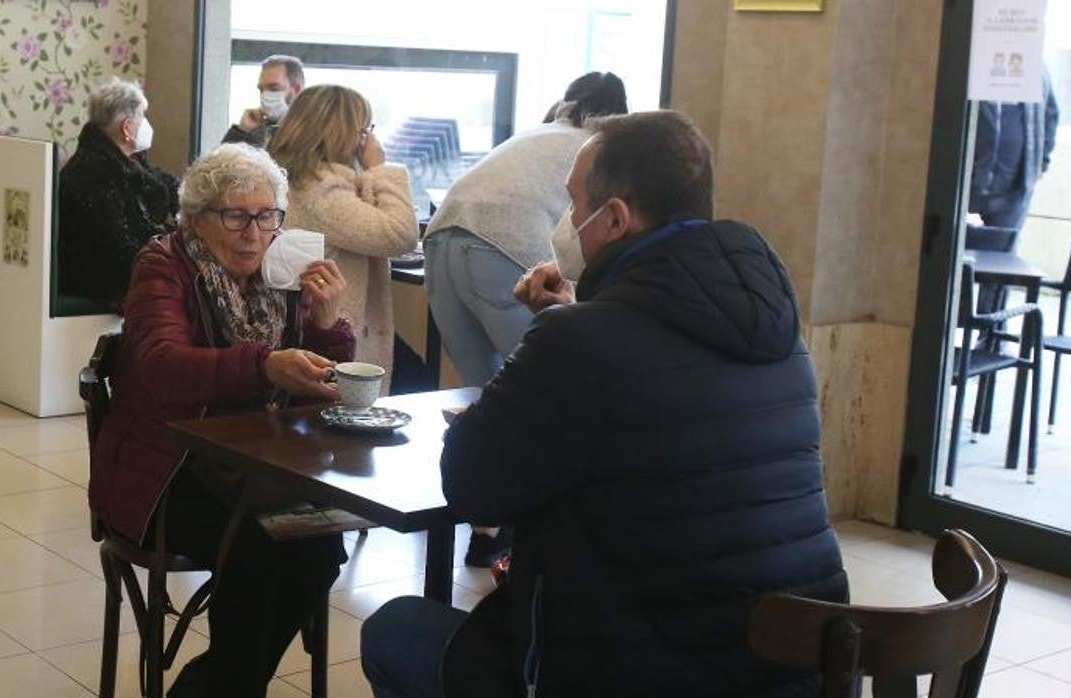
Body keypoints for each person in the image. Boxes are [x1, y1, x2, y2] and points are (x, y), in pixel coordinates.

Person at [360, 111, 847, 698]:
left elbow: (471, 484)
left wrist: (546, 349)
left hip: (641, 671)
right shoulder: (778, 335)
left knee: (394, 630)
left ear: (614, 218)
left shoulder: (579, 343)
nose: (567, 224)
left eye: (572, 204)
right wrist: (565, 332)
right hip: (789, 671)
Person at [88, 143, 355, 697]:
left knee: (319, 542)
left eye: (267, 217)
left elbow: (318, 382)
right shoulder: (163, 264)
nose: (253, 233)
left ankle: (214, 686)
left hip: (260, 465)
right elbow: (164, 367)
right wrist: (265, 366)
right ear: (197, 219)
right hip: (167, 469)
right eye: (236, 216)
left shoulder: (282, 271)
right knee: (257, 548)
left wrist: (329, 327)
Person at [424, 71, 628, 568]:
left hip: (440, 240)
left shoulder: (535, 134)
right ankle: (526, 533)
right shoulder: (601, 151)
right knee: (541, 392)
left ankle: (485, 529)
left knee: (488, 394)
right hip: (502, 246)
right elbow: (577, 242)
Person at [268, 84, 418, 387]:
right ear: (351, 132)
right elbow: (400, 234)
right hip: (333, 333)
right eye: (366, 129)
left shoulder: (298, 178)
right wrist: (380, 168)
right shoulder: (321, 188)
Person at [58, 78, 180, 307]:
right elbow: (118, 251)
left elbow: (179, 190)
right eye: (143, 116)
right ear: (127, 127)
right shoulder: (90, 175)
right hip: (101, 290)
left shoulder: (133, 163)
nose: (147, 124)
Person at [968, 69, 1058, 233]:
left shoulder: (1036, 68)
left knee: (1001, 254)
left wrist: (1041, 163)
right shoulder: (974, 63)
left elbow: (1050, 116)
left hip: (1014, 191)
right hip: (967, 187)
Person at [223, 54, 306, 148]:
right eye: (261, 90)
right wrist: (242, 132)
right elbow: (221, 161)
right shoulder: (258, 132)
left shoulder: (317, 127)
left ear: (297, 90)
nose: (265, 95)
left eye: (274, 89)